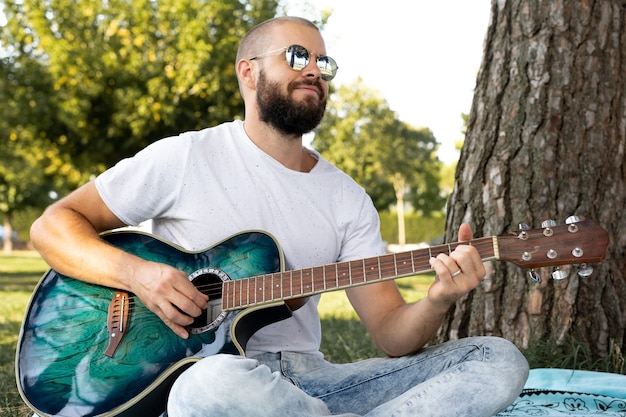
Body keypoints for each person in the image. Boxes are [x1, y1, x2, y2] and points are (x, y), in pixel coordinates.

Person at [30, 16, 528, 417]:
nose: (315, 70)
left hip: (310, 386)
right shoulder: (184, 158)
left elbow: (392, 335)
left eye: (323, 62)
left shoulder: (346, 197)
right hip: (207, 379)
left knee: (497, 360)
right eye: (297, 56)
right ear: (248, 72)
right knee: (210, 384)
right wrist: (140, 276)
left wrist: (439, 298)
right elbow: (53, 225)